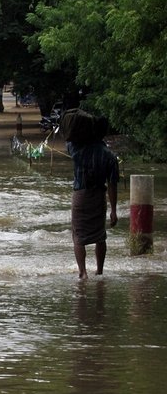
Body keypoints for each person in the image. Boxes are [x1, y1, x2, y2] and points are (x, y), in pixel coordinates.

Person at [67, 116, 119, 279]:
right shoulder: (110, 156)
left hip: (80, 196)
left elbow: (68, 140)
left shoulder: (77, 149)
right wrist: (114, 210)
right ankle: (99, 270)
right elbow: (112, 184)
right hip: (98, 196)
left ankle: (83, 272)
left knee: (78, 236)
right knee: (100, 235)